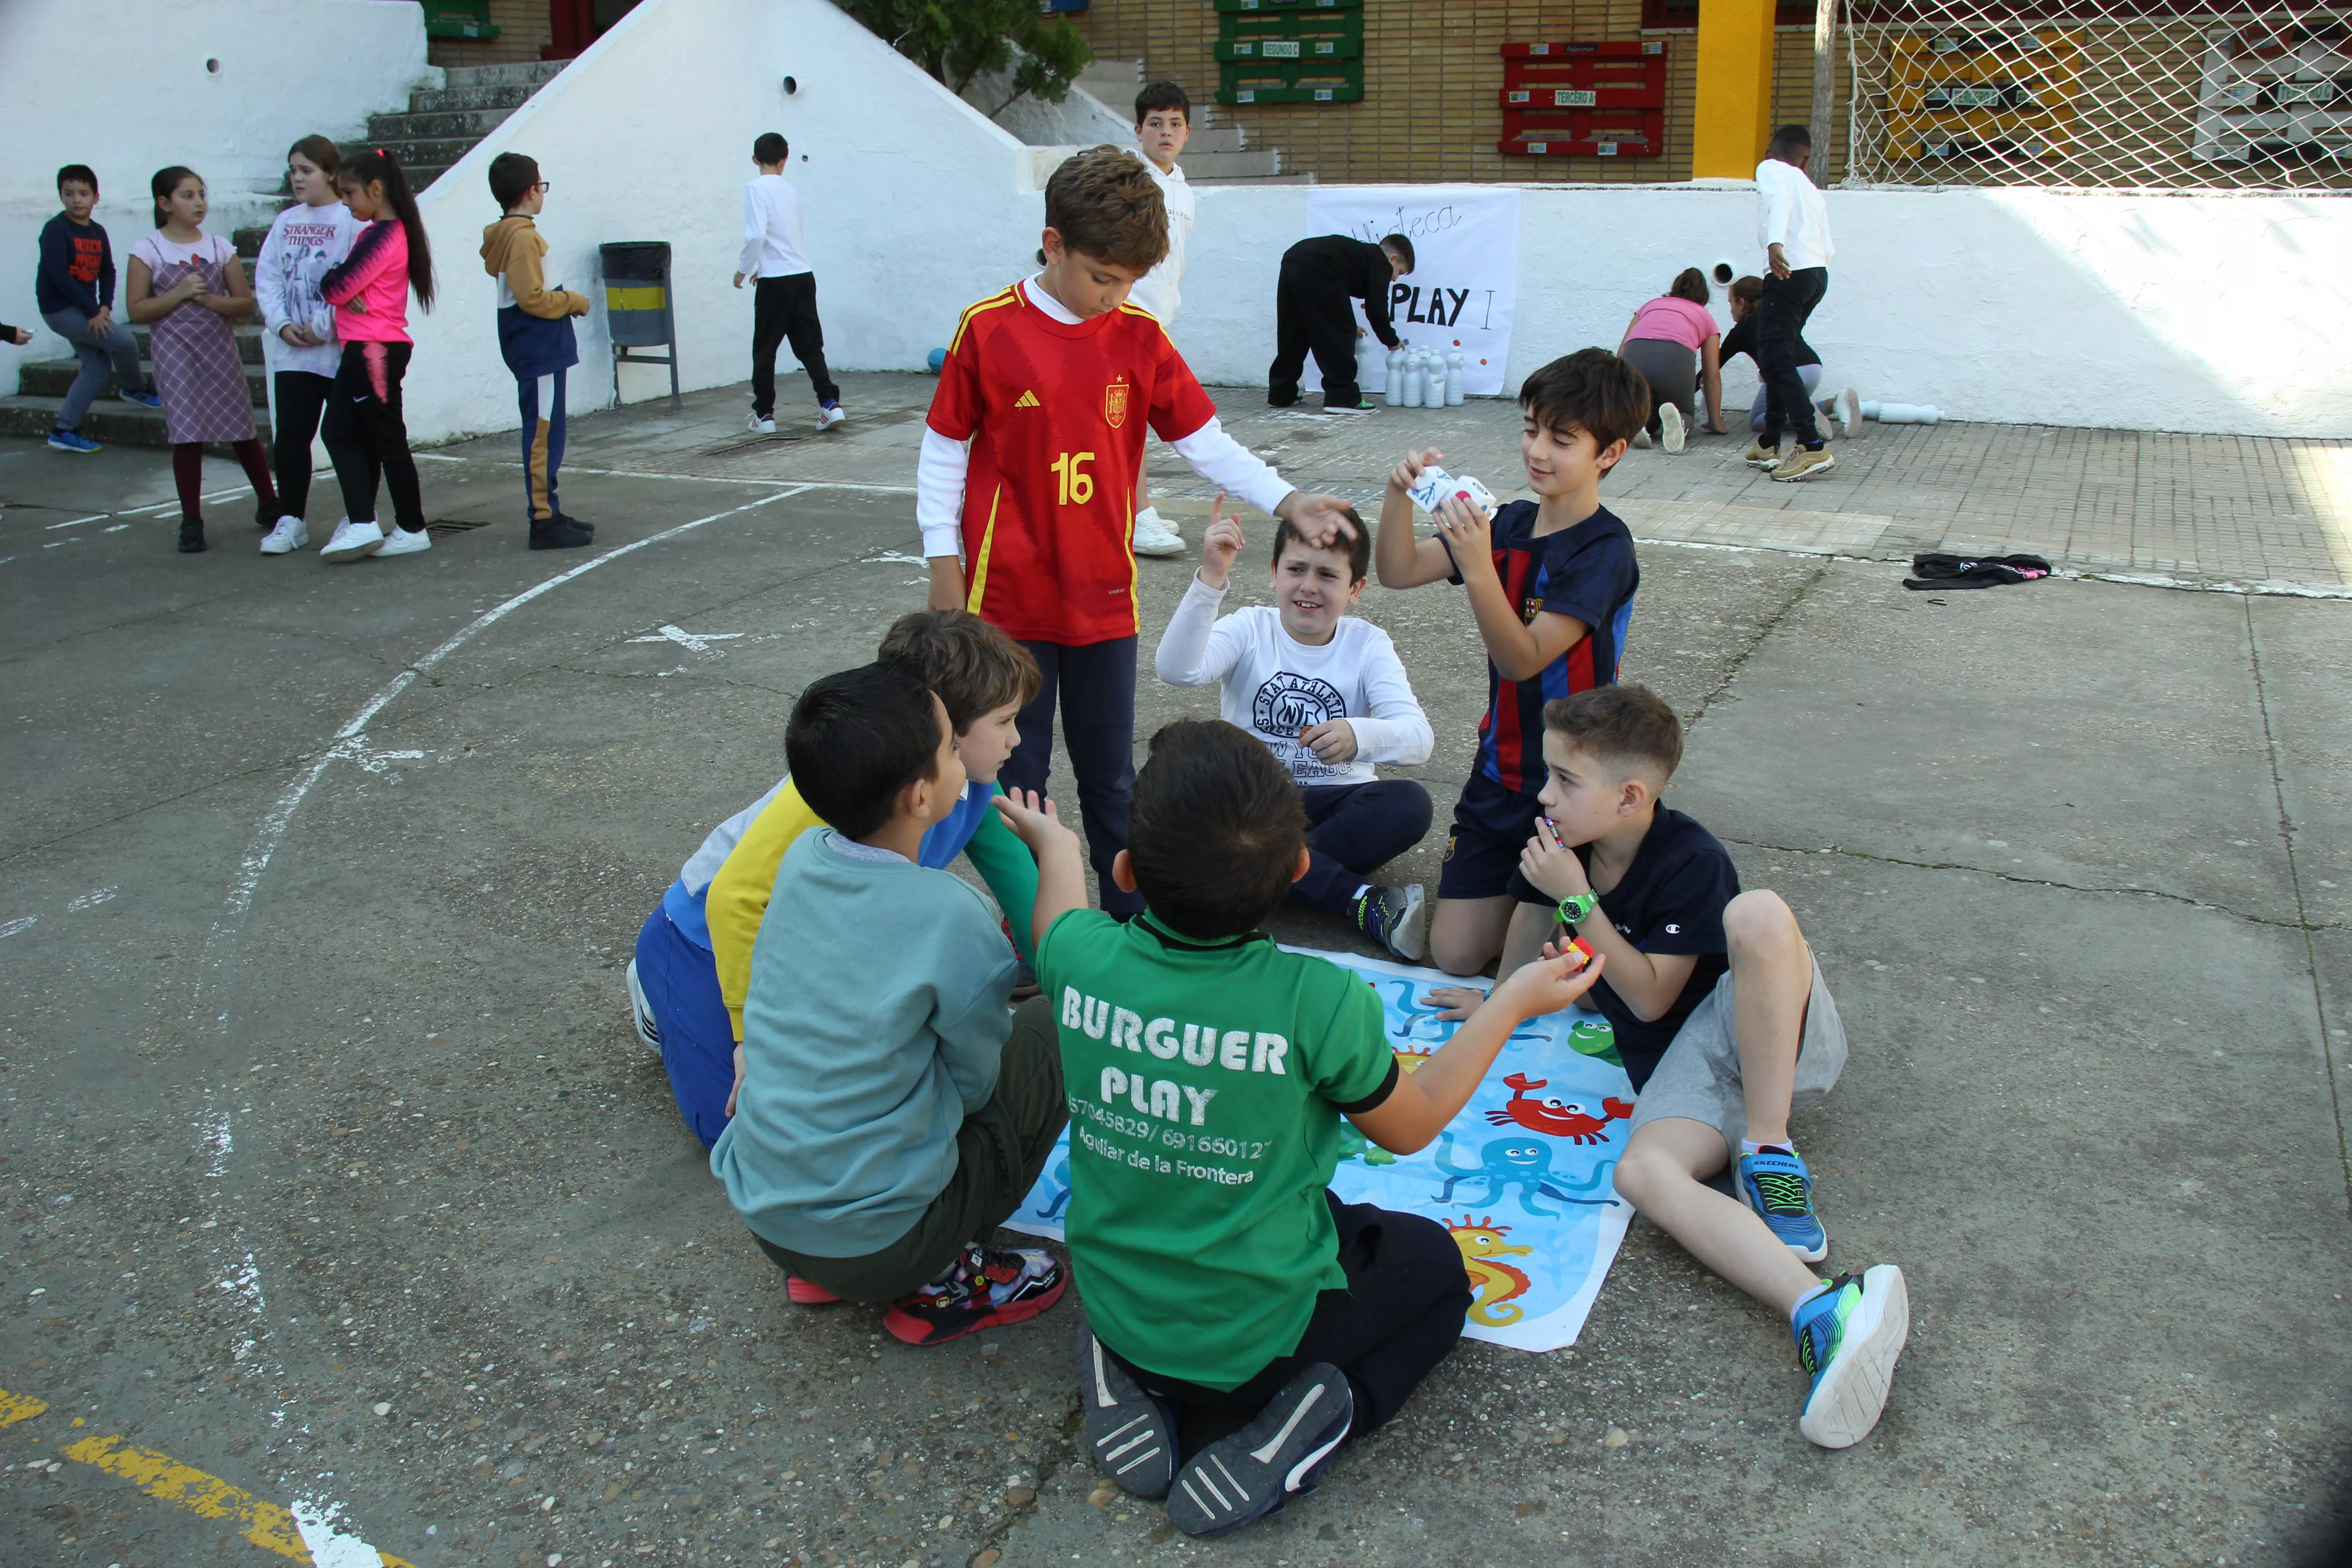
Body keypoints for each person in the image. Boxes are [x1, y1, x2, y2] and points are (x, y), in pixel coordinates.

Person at [987, 718, 1607, 1536]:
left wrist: (1055, 846)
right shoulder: (1318, 1000)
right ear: (1299, 871)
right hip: (1261, 1345)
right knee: (1432, 1268)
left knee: (1307, 1224)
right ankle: (1312, 1417)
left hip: (1118, 1299)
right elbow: (1411, 1127)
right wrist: (1512, 1000)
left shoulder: (1078, 958)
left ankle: (1116, 1364)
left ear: (1129, 871)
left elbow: (1055, 919)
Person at [920, 145, 1355, 917]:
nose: (1113, 296)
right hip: (1007, 605)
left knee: (1110, 778)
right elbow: (944, 449)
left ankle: (1128, 934)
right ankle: (1041, 936)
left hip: (1101, 602)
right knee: (1015, 783)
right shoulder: (987, 330)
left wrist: (1287, 500)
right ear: (1053, 246)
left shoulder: (1137, 335)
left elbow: (1204, 440)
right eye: (1101, 277)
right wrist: (941, 563)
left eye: (1128, 282)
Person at [1500, 684, 1910, 1449]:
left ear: (1628, 796)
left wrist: (1577, 904)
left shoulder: (1686, 857)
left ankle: (1769, 1145)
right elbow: (1530, 932)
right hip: (1684, 1074)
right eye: (1548, 774)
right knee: (1639, 1175)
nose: (1543, 793)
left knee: (1755, 912)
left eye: (1563, 779)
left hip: (1759, 1035)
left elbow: (1652, 998)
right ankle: (1822, 1309)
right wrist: (1496, 1001)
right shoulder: (1566, 854)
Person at [711, 662, 1069, 1347]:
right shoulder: (951, 915)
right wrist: (1057, 854)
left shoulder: (803, 859)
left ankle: (838, 1263)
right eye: (949, 749)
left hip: (772, 1224)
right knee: (1052, 1029)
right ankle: (946, 1278)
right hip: (884, 1245)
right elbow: (977, 1084)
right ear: (920, 798)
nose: (967, 755)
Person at [635, 609, 1044, 1148]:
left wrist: (1074, 982)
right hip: (706, 942)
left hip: (813, 941)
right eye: (1004, 721)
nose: (1018, 738)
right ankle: (656, 996)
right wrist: (746, 1035)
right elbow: (735, 900)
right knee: (743, 1136)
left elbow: (1019, 880)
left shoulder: (970, 783)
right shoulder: (838, 787)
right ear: (937, 722)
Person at [1374, 348, 1643, 982]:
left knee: (1543, 963)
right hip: (1501, 769)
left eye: (1563, 439)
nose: (1538, 451)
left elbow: (1522, 660)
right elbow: (1396, 570)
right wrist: (1397, 494)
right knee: (1457, 954)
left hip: (1573, 780)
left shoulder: (1606, 550)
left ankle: (1586, 889)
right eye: (1531, 429)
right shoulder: (1510, 523)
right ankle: (1542, 905)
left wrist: (1475, 566)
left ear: (1610, 454)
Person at [1154, 494, 1435, 958]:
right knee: (1177, 789)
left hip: (1330, 805)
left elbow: (1418, 737)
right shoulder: (1249, 627)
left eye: (1328, 575)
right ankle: (1359, 901)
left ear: (1356, 589)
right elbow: (1177, 670)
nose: (1308, 586)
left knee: (1409, 803)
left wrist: (1358, 735)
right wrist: (1211, 580)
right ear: (1273, 572)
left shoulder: (1368, 644)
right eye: (1296, 569)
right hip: (1252, 803)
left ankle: (1247, 876)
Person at [124, 167, 279, 555]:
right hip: (174, 350)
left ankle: (269, 502)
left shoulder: (219, 247)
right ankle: (191, 519)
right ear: (165, 203)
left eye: (201, 195)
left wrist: (211, 300)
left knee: (242, 426)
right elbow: (137, 309)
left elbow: (245, 301)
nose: (198, 203)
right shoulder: (148, 249)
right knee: (187, 431)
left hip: (218, 346)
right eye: (187, 196)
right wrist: (178, 293)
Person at [317, 147, 436, 563]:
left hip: (373, 350)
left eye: (349, 193)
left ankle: (405, 525)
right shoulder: (382, 233)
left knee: (382, 438)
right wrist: (343, 291)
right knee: (343, 432)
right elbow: (342, 288)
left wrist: (340, 289)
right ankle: (364, 519)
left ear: (376, 188)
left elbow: (335, 287)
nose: (346, 202)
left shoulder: (385, 235)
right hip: (366, 348)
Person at [253, 136, 361, 557]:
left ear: (331, 173)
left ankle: (357, 515)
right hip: (293, 352)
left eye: (306, 170)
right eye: (293, 170)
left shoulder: (352, 222)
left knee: (346, 436)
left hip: (335, 351)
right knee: (292, 436)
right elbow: (269, 278)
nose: (297, 178)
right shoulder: (285, 222)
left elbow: (354, 283)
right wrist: (281, 325)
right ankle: (290, 519)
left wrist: (322, 328)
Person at [481, 151, 593, 551]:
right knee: (544, 434)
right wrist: (573, 301)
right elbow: (531, 297)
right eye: (541, 186)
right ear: (532, 191)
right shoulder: (524, 236)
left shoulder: (511, 233)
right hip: (539, 344)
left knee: (547, 430)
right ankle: (543, 518)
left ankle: (550, 510)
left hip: (537, 345)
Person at [37, 164, 162, 456]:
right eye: (69, 194)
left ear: (96, 197)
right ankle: (135, 388)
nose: (76, 200)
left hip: (87, 309)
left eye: (83, 193)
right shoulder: (55, 230)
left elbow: (107, 271)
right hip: (61, 309)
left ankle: (64, 430)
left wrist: (105, 306)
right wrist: (93, 312)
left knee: (97, 365)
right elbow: (59, 277)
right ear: (61, 197)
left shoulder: (97, 231)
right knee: (124, 341)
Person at [1124, 81, 1197, 561]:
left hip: (1157, 318)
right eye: (1156, 124)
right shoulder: (1129, 181)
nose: (1165, 133)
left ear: (1187, 132)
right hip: (1125, 315)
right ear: (1139, 130)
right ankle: (1138, 517)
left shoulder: (1183, 188)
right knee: (1129, 420)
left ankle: (1133, 509)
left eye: (1174, 124)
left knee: (1136, 419)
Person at [735, 132, 841, 436]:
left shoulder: (755, 188)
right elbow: (786, 237)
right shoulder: (791, 191)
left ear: (756, 160)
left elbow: (757, 234)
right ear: (785, 161)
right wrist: (764, 267)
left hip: (776, 283)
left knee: (765, 349)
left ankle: (764, 415)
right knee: (810, 347)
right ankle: (830, 403)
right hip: (803, 276)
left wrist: (743, 271)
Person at [1752, 124, 1837, 482]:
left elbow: (1778, 203)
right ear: (1806, 157)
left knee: (1774, 358)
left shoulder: (1771, 168)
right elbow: (1826, 239)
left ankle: (1811, 444)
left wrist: (1775, 244)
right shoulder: (1810, 187)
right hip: (1816, 274)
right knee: (1779, 358)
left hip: (1789, 271)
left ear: (1775, 149)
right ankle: (1769, 442)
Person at [1268, 233, 1411, 414]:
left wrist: (1349, 326)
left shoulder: (1360, 255)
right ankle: (1342, 396)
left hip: (1293, 259)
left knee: (1295, 330)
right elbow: (1376, 309)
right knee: (1338, 334)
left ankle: (1281, 393)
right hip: (1318, 267)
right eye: (1399, 272)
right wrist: (1391, 340)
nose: (1395, 279)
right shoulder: (1380, 263)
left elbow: (1325, 307)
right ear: (1393, 259)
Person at [1720, 275, 1859, 445]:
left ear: (1742, 303)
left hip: (1789, 372)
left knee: (1758, 419)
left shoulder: (1740, 331)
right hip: (1814, 368)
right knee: (1790, 406)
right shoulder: (1777, 317)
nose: (1730, 310)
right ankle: (1834, 404)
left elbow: (1714, 365)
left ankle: (1811, 417)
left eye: (1730, 303)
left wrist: (1688, 394)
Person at [1616, 267, 1722, 455]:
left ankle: (1640, 426)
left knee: (1646, 408)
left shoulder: (1650, 305)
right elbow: (1711, 375)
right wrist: (1715, 422)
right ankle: (1680, 424)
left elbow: (1622, 351)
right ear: (1703, 296)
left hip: (1636, 357)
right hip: (1675, 360)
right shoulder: (1705, 317)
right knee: (1684, 412)